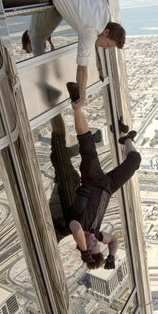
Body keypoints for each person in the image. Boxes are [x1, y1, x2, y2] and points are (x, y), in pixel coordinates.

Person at [0, 0, 126, 106]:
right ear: (106, 32)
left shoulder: (105, 9)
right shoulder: (90, 31)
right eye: (107, 44)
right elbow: (82, 70)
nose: (104, 47)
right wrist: (82, 98)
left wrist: (79, 1)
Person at [48, 97, 139, 269]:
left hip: (92, 181)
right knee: (134, 161)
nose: (92, 243)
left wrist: (84, 251)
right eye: (95, 245)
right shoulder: (96, 234)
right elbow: (113, 240)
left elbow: (76, 230)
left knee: (87, 143)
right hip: (109, 186)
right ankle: (127, 140)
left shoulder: (76, 225)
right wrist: (111, 256)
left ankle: (77, 109)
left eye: (90, 246)